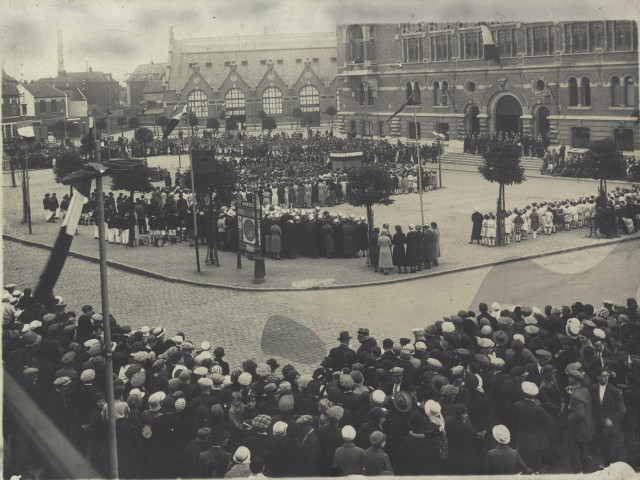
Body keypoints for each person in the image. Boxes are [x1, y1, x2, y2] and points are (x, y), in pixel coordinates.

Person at [589, 366, 626, 467]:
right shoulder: (593, 389)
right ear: (597, 378)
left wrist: (611, 419)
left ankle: (611, 468)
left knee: (610, 449)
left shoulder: (614, 391)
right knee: (599, 446)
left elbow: (622, 410)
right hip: (598, 424)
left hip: (610, 426)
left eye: (607, 376)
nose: (606, 378)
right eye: (603, 376)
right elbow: (591, 405)